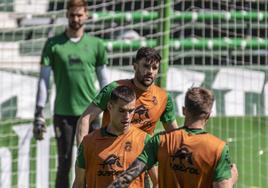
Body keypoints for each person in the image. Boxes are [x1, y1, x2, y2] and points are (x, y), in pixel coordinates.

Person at [32, 0, 108, 187]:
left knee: (92, 163)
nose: (76, 18)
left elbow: (104, 80)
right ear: (66, 15)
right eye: (72, 14)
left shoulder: (97, 44)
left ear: (87, 15)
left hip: (90, 114)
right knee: (64, 164)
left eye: (80, 14)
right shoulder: (53, 44)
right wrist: (39, 111)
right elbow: (44, 80)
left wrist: (109, 106)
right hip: (63, 113)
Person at [108, 87, 239, 188]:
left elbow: (127, 177)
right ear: (209, 115)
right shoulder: (218, 148)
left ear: (183, 110)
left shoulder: (160, 141)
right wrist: (231, 179)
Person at [76, 47, 178, 145]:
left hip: (140, 159)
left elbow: (174, 134)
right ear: (135, 66)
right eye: (146, 66)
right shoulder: (114, 89)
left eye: (155, 68)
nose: (150, 71)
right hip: (109, 153)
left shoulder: (164, 97)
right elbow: (85, 119)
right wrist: (82, 154)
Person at [72, 85, 152, 188]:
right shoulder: (89, 142)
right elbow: (79, 183)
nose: (127, 117)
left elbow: (158, 181)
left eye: (131, 111)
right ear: (110, 107)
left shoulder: (145, 141)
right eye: (122, 111)